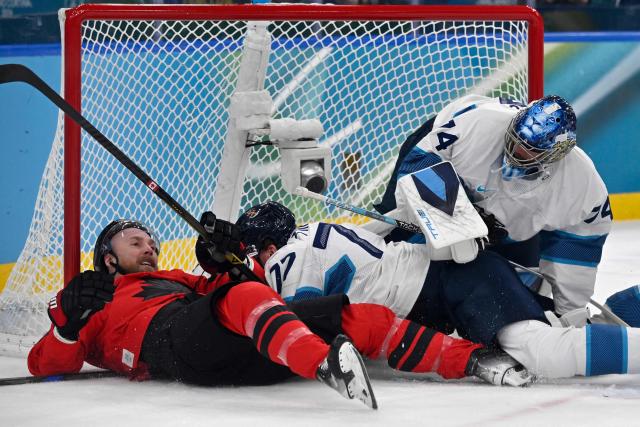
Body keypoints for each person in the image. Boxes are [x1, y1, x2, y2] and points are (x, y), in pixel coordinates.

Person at [27, 217, 528, 412]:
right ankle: (325, 364)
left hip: (233, 341)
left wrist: (223, 260)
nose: (151, 246)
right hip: (175, 349)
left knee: (356, 317)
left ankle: (477, 360)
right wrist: (66, 327)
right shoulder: (87, 297)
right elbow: (45, 364)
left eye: (152, 239)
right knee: (239, 300)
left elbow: (240, 291)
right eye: (136, 242)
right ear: (108, 257)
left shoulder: (176, 280)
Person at [236, 201, 640, 380]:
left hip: (454, 286)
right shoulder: (317, 231)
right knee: (571, 325)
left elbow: (296, 320)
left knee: (542, 352)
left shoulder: (285, 256)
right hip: (453, 279)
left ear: (267, 247)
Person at [371, 94, 612, 320]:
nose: (515, 152)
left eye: (528, 151)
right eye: (516, 139)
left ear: (556, 154)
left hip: (500, 211)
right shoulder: (477, 127)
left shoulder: (582, 184)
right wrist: (458, 224)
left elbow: (580, 243)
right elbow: (420, 164)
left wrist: (570, 312)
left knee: (506, 282)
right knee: (399, 236)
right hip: (437, 153)